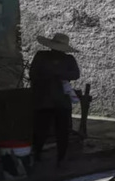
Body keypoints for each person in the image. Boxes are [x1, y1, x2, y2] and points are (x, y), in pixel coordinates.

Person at [30, 33, 80, 165]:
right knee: (41, 129)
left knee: (62, 130)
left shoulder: (69, 59)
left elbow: (76, 74)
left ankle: (61, 157)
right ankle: (37, 154)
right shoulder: (41, 56)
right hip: (43, 99)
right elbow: (33, 74)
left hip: (62, 100)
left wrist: (59, 75)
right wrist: (47, 77)